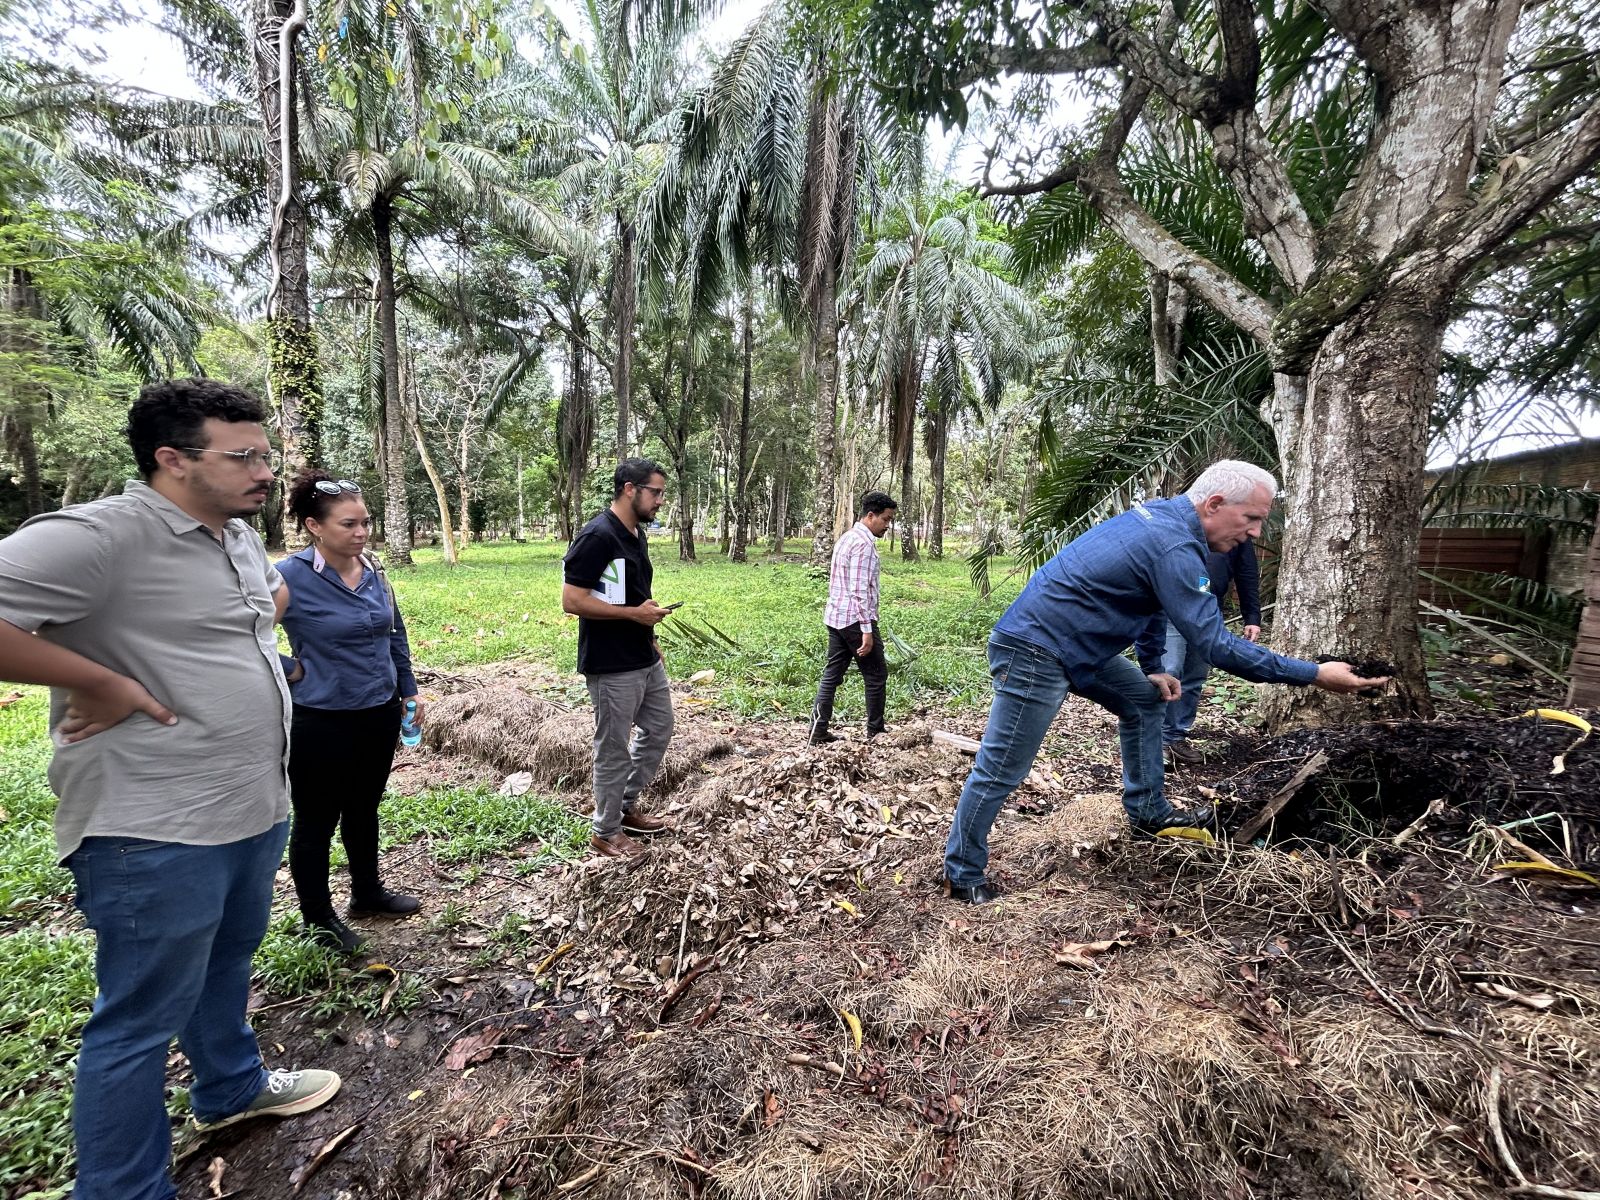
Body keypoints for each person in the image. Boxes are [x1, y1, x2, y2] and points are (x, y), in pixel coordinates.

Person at [0, 380, 340, 1200]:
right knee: (139, 1022)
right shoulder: (100, 537)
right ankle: (123, 1189)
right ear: (171, 459)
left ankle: (229, 1086)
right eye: (244, 456)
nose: (266, 470)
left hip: (248, 807)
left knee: (227, 962)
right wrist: (97, 681)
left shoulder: (230, 537)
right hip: (152, 828)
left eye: (266, 453)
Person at [941, 460, 1388, 904]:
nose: (1254, 533)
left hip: (1080, 647)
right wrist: (1313, 674)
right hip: (1035, 650)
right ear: (1213, 504)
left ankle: (1148, 813)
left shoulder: (1164, 522)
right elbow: (1215, 645)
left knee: (1144, 700)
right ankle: (962, 873)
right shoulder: (1173, 543)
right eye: (1251, 518)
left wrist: (1154, 664)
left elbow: (1152, 602)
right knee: (1003, 767)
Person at [276, 470, 422, 954]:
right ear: (315, 527)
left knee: (364, 808)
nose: (361, 533)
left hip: (377, 711)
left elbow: (394, 633)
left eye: (366, 522)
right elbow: (236, 634)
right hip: (320, 718)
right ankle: (317, 918)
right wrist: (290, 668)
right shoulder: (288, 577)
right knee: (316, 820)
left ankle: (367, 893)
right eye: (348, 524)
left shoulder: (375, 569)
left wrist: (408, 689)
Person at [560, 458, 678, 858]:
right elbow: (572, 600)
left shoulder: (635, 534)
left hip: (642, 653)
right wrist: (635, 616)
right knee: (613, 747)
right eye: (656, 492)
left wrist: (649, 629)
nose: (660, 500)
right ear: (630, 489)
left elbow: (631, 594)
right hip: (611, 663)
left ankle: (623, 807)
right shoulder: (597, 536)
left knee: (660, 727)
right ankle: (605, 830)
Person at [1134, 538, 1262, 764]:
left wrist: (1251, 616)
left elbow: (1246, 571)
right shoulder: (1184, 523)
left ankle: (1174, 738)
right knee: (1168, 670)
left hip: (1208, 611)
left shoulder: (1239, 528)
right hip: (1171, 607)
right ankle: (1155, 741)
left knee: (1195, 676)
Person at [808, 490, 898, 744]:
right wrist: (867, 630)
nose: (887, 525)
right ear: (871, 516)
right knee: (876, 675)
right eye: (886, 519)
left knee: (832, 675)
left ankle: (818, 731)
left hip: (836, 617)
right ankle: (876, 732)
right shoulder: (863, 544)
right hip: (855, 621)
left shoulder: (847, 538)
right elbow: (859, 590)